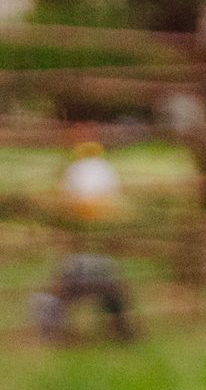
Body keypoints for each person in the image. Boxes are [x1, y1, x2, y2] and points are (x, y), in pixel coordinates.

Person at [32, 138, 135, 342]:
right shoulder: (100, 173)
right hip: (91, 267)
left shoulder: (80, 173)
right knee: (110, 286)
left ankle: (55, 332)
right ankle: (121, 332)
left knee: (69, 287)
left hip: (82, 268)